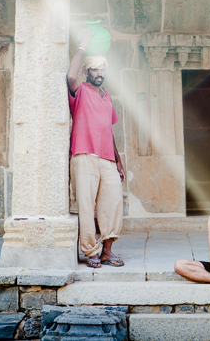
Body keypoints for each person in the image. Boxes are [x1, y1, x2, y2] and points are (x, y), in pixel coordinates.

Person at [67, 29, 126, 268]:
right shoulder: (80, 91)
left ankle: (107, 251)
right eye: (94, 70)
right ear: (86, 72)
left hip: (107, 158)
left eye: (102, 69)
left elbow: (108, 131)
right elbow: (70, 76)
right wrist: (82, 46)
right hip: (84, 155)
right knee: (86, 203)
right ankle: (90, 251)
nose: (99, 73)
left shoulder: (107, 97)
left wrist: (118, 161)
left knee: (113, 203)